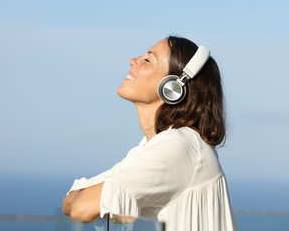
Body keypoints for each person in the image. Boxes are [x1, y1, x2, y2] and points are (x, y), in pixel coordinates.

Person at [62, 36, 237, 231]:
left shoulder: (177, 147)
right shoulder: (147, 148)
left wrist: (94, 199)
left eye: (147, 60)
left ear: (172, 88)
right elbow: (68, 202)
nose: (133, 61)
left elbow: (81, 208)